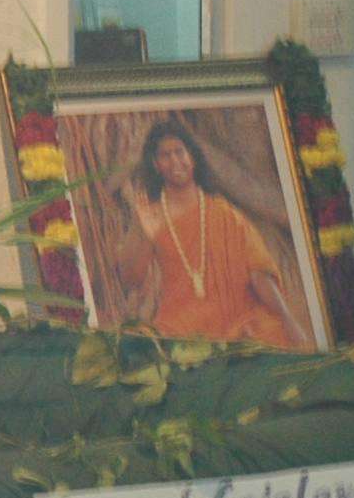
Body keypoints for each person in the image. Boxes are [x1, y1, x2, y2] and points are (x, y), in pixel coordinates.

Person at [106, 120, 308, 349]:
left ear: (192, 157)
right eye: (165, 155)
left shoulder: (224, 213)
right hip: (181, 325)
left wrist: (288, 319)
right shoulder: (150, 216)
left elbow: (258, 272)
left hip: (238, 320)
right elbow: (131, 279)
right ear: (155, 164)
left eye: (179, 152)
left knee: (273, 333)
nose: (175, 161)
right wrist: (140, 228)